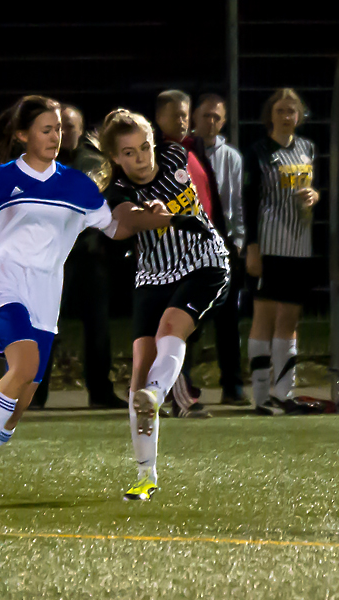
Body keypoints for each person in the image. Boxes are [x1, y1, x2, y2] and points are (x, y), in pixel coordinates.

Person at [0, 96, 195, 504]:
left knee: (21, 398)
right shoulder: (3, 179)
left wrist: (151, 215)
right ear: (23, 135)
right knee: (26, 364)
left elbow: (114, 226)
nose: (55, 136)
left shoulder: (76, 185)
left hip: (45, 297)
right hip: (2, 284)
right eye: (46, 129)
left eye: (58, 129)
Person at [98, 108, 230, 501]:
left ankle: (157, 393)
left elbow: (202, 191)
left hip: (203, 260)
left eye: (145, 147)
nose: (142, 159)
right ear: (116, 158)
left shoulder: (175, 155)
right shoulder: (118, 189)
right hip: (153, 273)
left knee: (170, 328)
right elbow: (127, 220)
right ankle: (145, 475)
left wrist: (188, 214)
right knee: (139, 368)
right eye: (130, 153)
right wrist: (157, 217)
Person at [32, 104, 126, 410]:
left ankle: (100, 391)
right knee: (44, 325)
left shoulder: (93, 161)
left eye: (69, 127)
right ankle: (35, 394)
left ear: (80, 131)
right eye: (58, 127)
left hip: (87, 255)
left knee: (98, 326)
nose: (63, 133)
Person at [155, 89, 230, 418]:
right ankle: (180, 397)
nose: (182, 120)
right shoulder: (155, 155)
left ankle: (169, 391)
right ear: (159, 118)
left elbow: (209, 200)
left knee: (184, 328)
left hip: (205, 254)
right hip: (178, 256)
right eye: (176, 114)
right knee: (175, 327)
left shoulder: (192, 150)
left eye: (185, 114)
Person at [244, 88, 318, 416]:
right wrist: (253, 248)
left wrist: (313, 197)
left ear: (299, 115)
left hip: (299, 246)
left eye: (292, 110)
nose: (287, 116)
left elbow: (311, 192)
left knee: (289, 320)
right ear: (269, 115)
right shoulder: (259, 152)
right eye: (280, 111)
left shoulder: (307, 149)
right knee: (264, 317)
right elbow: (248, 202)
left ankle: (284, 393)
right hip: (270, 246)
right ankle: (260, 397)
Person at [192, 93, 249, 406]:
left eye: (216, 117)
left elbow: (237, 202)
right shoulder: (185, 154)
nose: (211, 122)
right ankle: (181, 384)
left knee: (228, 320)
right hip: (193, 241)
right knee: (191, 319)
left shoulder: (232, 158)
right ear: (195, 119)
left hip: (224, 242)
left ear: (223, 121)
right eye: (206, 116)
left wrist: (238, 240)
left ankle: (233, 385)